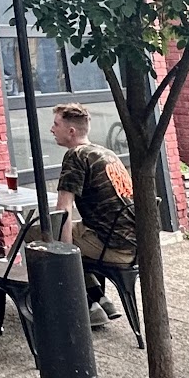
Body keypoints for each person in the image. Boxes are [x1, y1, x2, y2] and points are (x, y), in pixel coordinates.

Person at [49, 102, 136, 327]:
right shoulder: (106, 153)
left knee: (41, 234)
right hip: (134, 243)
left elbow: (63, 209)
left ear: (71, 131)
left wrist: (65, 253)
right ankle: (99, 298)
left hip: (112, 245)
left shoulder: (76, 156)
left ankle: (85, 305)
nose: (51, 129)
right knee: (70, 233)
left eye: (56, 124)